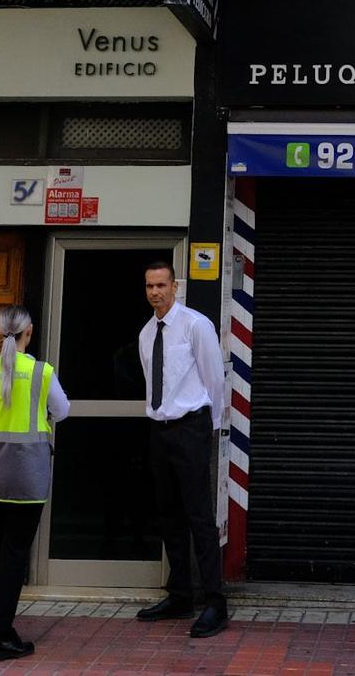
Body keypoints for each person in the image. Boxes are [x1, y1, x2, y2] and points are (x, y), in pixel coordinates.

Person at [134, 260, 229, 638]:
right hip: (160, 430)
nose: (155, 292)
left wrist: (211, 428)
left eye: (161, 285)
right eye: (149, 286)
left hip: (191, 429)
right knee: (168, 516)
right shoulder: (145, 334)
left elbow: (214, 378)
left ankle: (215, 603)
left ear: (175, 287)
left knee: (199, 517)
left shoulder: (195, 324)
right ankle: (180, 596)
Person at [0, 304, 69, 663]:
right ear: (29, 332)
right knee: (15, 554)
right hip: (29, 476)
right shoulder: (41, 372)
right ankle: (2, 635)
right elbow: (63, 410)